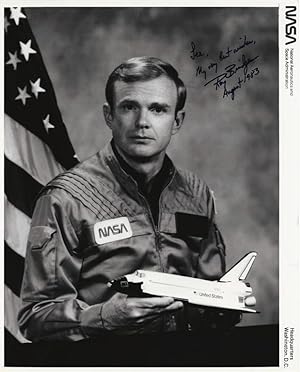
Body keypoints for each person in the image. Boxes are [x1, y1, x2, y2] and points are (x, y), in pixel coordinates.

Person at [18, 56, 247, 342]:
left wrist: (221, 308)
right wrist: (103, 318)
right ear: (109, 116)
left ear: (176, 121)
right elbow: (37, 316)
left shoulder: (196, 194)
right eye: (129, 107)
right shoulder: (66, 198)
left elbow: (209, 295)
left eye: (158, 109)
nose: (142, 122)